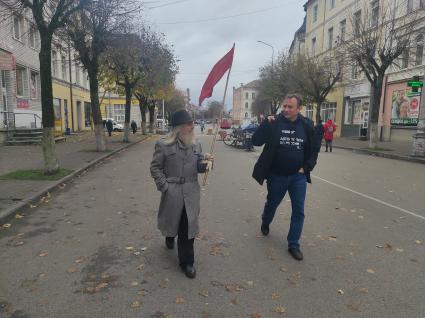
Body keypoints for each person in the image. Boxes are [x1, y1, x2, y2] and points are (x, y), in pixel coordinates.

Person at [252, 94, 320, 261]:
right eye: (285, 106)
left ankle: (294, 244)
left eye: (290, 107)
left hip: (298, 177)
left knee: (299, 211)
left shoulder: (306, 125)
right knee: (272, 204)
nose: (286, 109)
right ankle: (265, 221)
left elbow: (313, 150)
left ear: (299, 109)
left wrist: (307, 167)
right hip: (277, 176)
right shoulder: (273, 122)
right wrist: (264, 125)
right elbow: (256, 141)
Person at [150, 109, 214, 278]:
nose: (192, 126)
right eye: (189, 124)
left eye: (192, 123)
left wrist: (207, 163)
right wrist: (164, 187)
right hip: (173, 192)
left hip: (191, 193)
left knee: (187, 226)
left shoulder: (195, 144)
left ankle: (187, 262)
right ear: (179, 127)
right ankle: (170, 236)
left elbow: (199, 167)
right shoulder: (163, 145)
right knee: (173, 222)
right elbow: (155, 168)